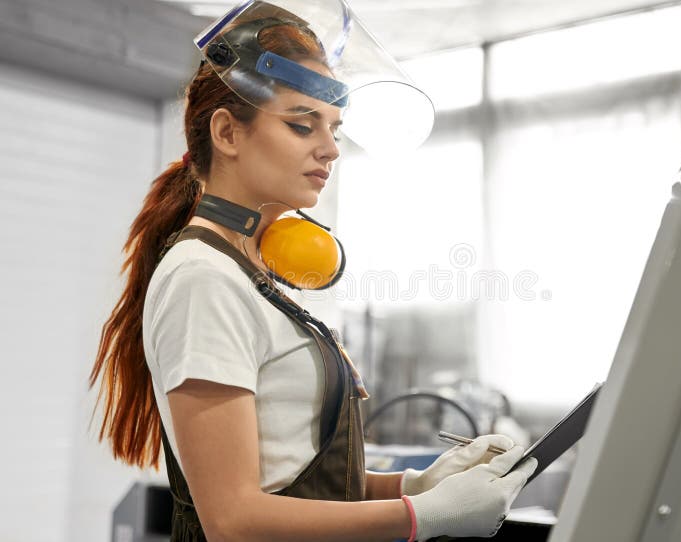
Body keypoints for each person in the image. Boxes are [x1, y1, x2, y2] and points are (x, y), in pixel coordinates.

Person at [89, 1, 537, 540]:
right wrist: (424, 517)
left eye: (335, 130)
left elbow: (296, 479)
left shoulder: (248, 275)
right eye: (303, 126)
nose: (330, 150)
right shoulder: (202, 278)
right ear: (228, 133)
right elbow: (234, 520)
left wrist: (418, 484)